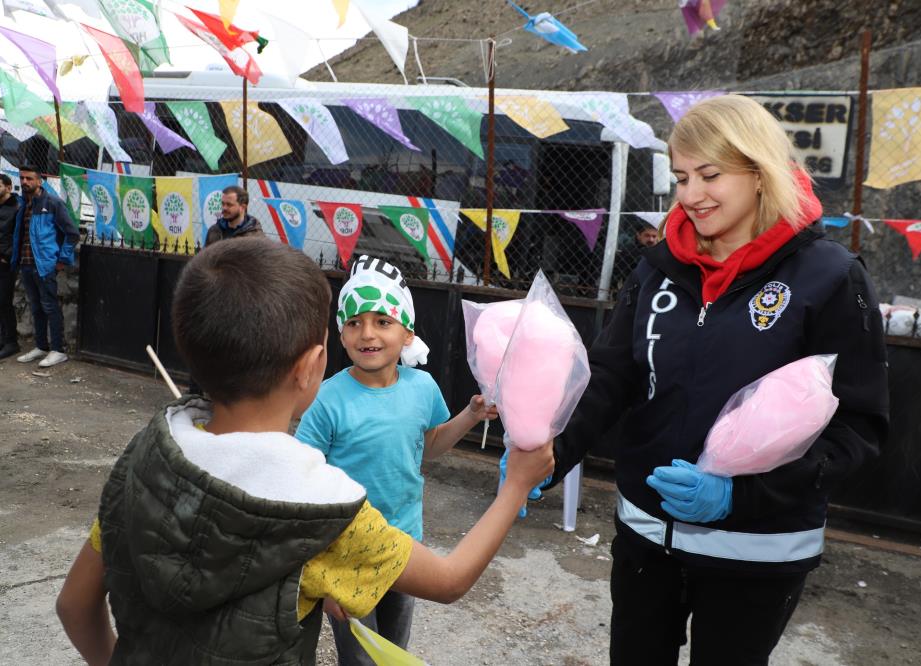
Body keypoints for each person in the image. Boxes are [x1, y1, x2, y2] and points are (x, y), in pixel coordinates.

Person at [55, 239, 553, 665]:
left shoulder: (141, 459)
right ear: (314, 365)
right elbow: (448, 581)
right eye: (352, 324)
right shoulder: (322, 512)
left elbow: (74, 606)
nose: (367, 334)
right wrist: (515, 486)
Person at [544, 95, 889, 664]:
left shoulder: (829, 276)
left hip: (759, 552)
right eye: (680, 177)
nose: (690, 195)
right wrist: (553, 451)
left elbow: (858, 428)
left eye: (710, 175)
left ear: (759, 173)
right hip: (646, 537)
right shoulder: (658, 267)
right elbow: (613, 374)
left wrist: (740, 495)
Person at [295, 254, 499, 664]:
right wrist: (324, 570)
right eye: (354, 323)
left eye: (382, 322)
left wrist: (472, 414)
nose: (367, 333)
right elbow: (302, 480)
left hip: (405, 544)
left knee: (392, 650)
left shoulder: (422, 388)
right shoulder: (328, 400)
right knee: (359, 657)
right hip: (347, 552)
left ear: (406, 333)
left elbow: (430, 447)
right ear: (341, 333)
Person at [12, 165, 79, 368]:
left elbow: (72, 233)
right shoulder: (23, 204)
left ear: (39, 181)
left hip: (44, 266)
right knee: (36, 307)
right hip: (26, 265)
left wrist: (61, 260)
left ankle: (58, 350)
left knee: (50, 307)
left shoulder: (52, 203)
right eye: (22, 178)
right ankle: (41, 346)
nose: (25, 182)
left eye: (29, 178)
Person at [0, 174, 21, 360]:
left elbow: (18, 236)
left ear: (8, 187)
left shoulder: (16, 208)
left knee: (4, 302)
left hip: (5, 264)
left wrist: (6, 257)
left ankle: (11, 342)